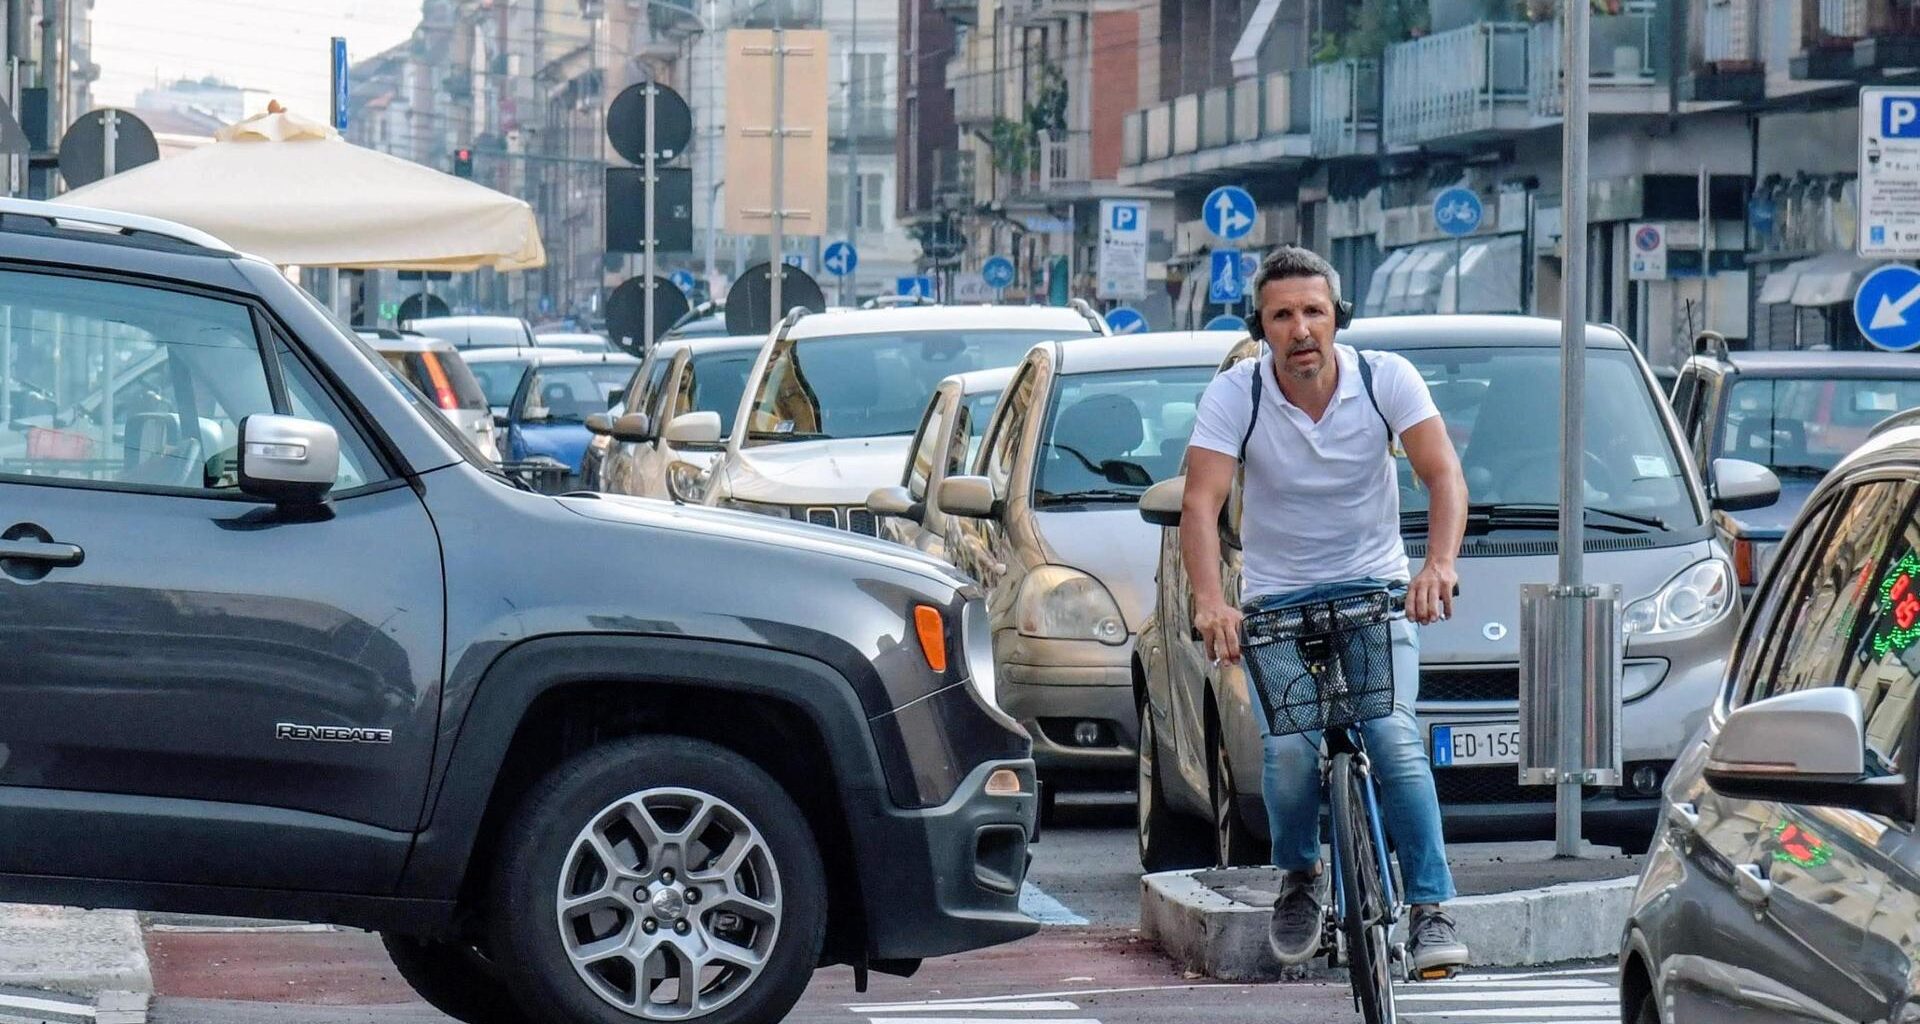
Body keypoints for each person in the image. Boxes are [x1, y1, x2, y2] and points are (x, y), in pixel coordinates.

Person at [1179, 246, 1471, 974]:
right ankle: (1301, 877)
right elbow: (1200, 502)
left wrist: (1438, 564)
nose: (1301, 328)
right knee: (1287, 756)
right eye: (1282, 315)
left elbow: (1443, 475)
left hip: (1373, 590)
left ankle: (1432, 908)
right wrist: (1211, 602)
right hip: (1277, 599)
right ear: (1261, 328)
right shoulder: (1237, 395)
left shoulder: (1384, 379)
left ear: (1338, 318)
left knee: (1394, 739)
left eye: (1314, 311)